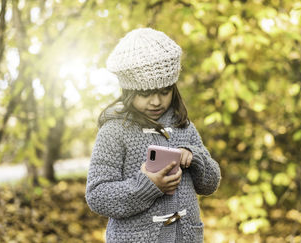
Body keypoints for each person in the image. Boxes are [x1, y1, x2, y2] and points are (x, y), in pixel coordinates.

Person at [85, 28, 221, 243]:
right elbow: (98, 196)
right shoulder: (114, 131)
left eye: (165, 91)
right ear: (129, 92)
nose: (156, 101)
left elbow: (210, 184)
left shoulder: (183, 126)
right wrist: (147, 186)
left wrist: (195, 157)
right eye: (146, 94)